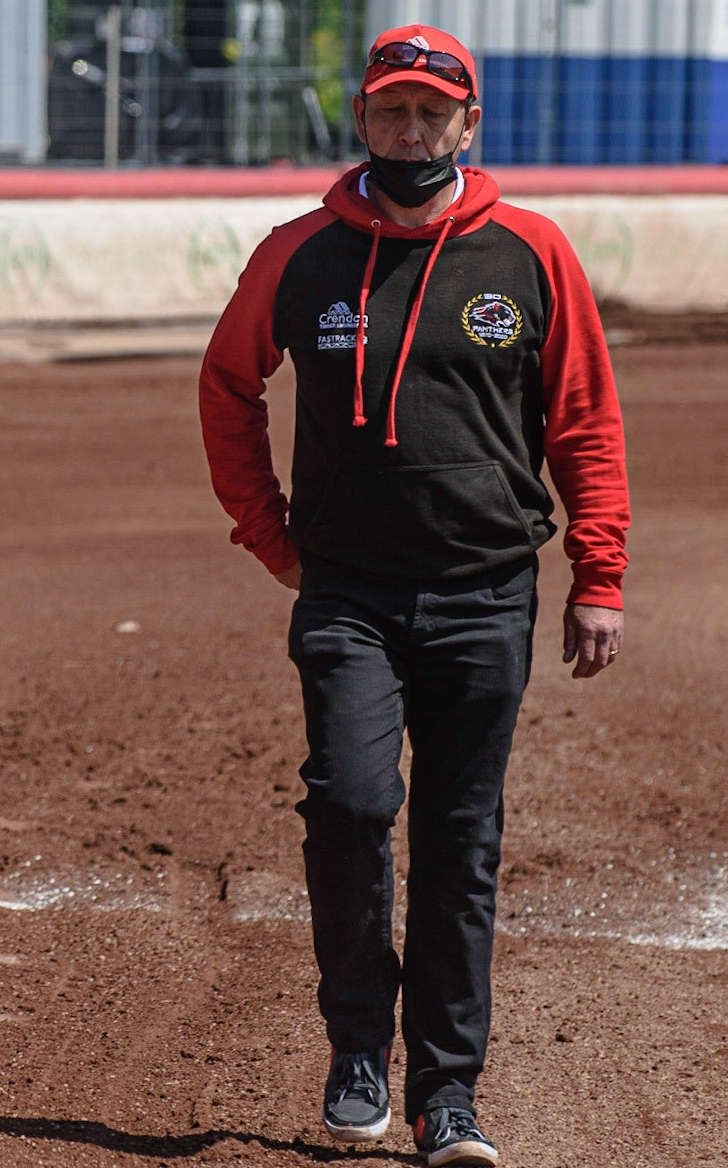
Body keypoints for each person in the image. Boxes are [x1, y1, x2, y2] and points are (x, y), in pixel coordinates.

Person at [198, 24, 628, 1168]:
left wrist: (601, 573)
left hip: (488, 592)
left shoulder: (531, 254)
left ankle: (448, 1093)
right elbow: (227, 382)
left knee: (458, 837)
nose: (410, 130)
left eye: (431, 113)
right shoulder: (299, 254)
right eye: (390, 110)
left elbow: (582, 419)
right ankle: (356, 1048)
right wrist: (269, 532)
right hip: (346, 590)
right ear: (363, 120)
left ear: (467, 125)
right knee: (346, 802)